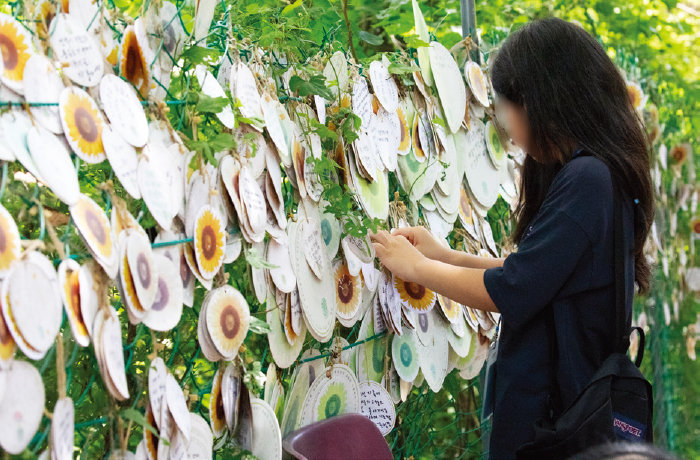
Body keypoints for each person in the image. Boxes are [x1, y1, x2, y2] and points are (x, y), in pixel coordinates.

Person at [370, 17, 654, 459]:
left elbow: (514, 289)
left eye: (508, 110)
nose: (509, 129)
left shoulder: (587, 179)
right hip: (566, 414)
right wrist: (445, 255)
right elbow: (535, 276)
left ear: (543, 102)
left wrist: (418, 269)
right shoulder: (596, 174)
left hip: (556, 425)